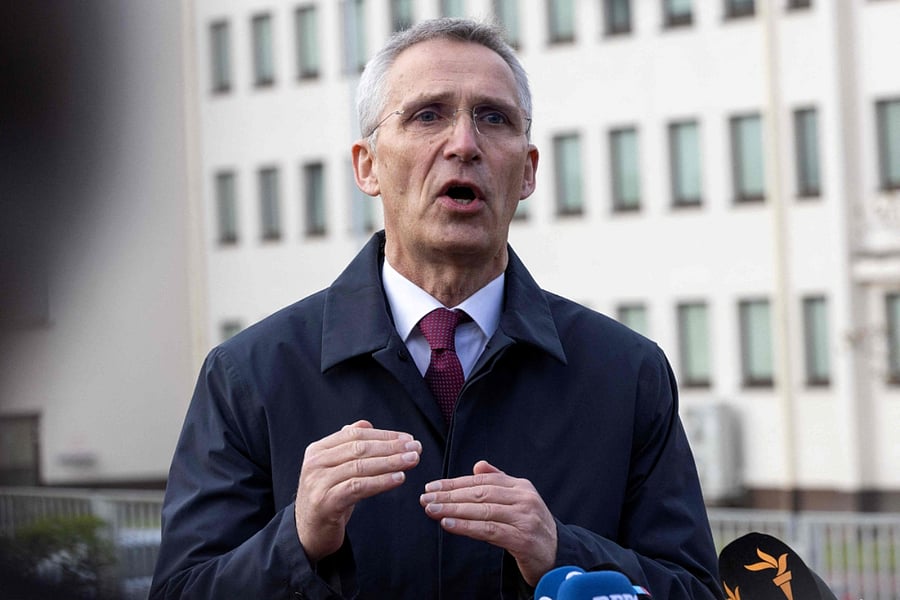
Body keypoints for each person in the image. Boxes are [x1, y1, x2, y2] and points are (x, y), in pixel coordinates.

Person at [150, 18, 722, 600]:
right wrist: (298, 538)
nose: (464, 144)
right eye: (428, 115)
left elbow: (695, 589)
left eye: (493, 118)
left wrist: (559, 550)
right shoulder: (251, 374)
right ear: (367, 166)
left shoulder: (626, 374)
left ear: (526, 171)